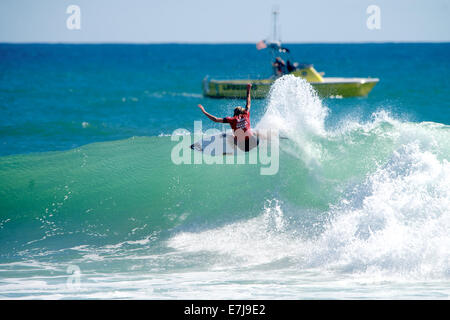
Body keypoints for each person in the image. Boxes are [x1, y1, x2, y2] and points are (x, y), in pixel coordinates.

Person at [197, 83, 259, 152]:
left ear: (234, 113)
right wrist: (248, 90)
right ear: (242, 111)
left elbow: (216, 119)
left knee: (230, 136)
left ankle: (230, 150)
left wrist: (204, 111)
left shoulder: (231, 119)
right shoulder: (245, 114)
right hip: (255, 142)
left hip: (244, 148)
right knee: (252, 132)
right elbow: (248, 102)